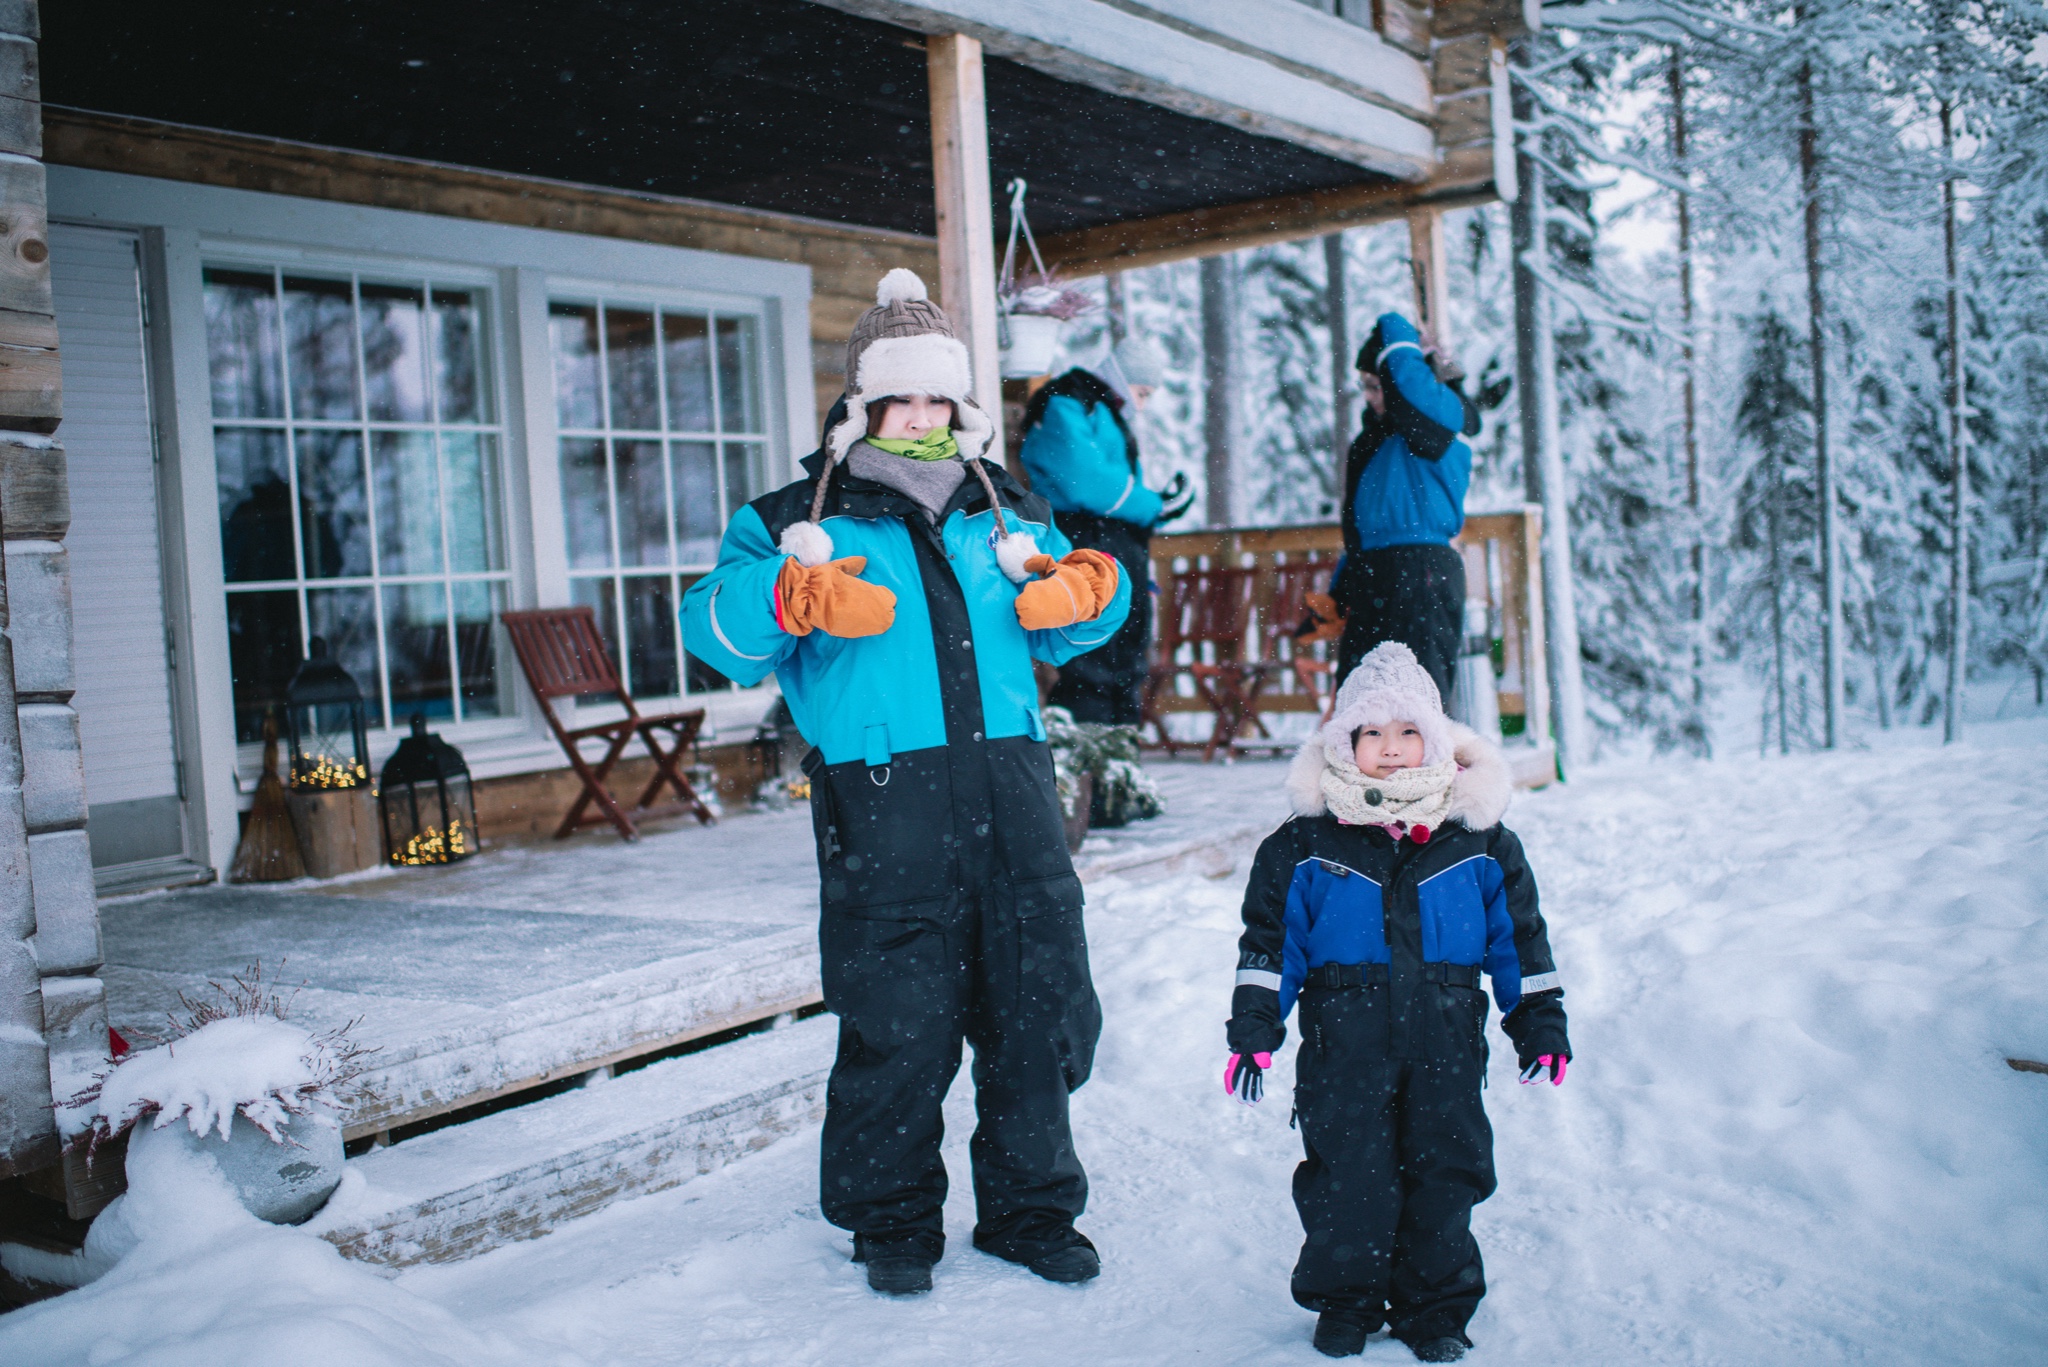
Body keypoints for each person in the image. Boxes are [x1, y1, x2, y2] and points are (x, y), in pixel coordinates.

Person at [680, 269, 1130, 1298]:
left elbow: (1067, 616)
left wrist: (1085, 585)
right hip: (884, 801)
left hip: (1011, 791)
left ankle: (1030, 1209)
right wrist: (785, 590)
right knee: (896, 1020)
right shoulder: (798, 514)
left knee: (1034, 1010)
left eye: (937, 397)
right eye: (900, 397)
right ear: (862, 402)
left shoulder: (1002, 504)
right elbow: (713, 630)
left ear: (959, 404)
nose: (920, 416)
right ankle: (890, 1220)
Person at [1222, 642, 1571, 1362]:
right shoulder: (1304, 845)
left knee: (1446, 1173)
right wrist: (1255, 1027)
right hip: (1343, 1045)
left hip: (1447, 1041)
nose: (1390, 748)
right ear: (1344, 740)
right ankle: (1346, 1300)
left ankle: (1435, 1307)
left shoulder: (1480, 842)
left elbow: (1520, 945)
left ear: (1437, 739)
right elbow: (1269, 945)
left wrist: (1539, 1022)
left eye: (1408, 731)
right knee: (1349, 1176)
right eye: (1371, 732)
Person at [1018, 337, 1195, 724]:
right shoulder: (1067, 400)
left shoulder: (1099, 407)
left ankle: (1119, 767)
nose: (1142, 404)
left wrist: (1154, 508)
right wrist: (1153, 504)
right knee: (1092, 662)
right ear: (1120, 376)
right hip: (1084, 542)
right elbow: (1084, 480)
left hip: (1115, 544)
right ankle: (1089, 767)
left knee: (1126, 660)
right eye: (1142, 392)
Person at [1330, 314, 1483, 699]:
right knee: (1358, 698)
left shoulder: (1436, 425)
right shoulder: (1374, 443)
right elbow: (1361, 529)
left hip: (1422, 573)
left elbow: (1409, 386)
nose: (1369, 396)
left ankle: (1425, 763)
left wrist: (1395, 329)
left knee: (1418, 700)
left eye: (1377, 387)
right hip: (1377, 573)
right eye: (1364, 387)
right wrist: (1340, 590)